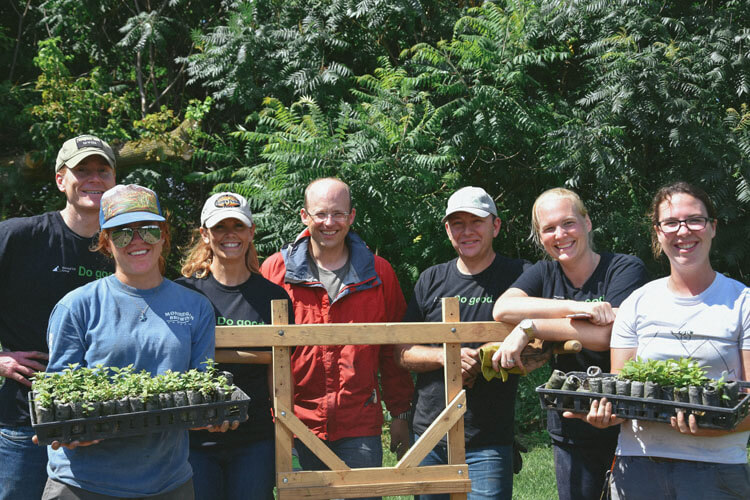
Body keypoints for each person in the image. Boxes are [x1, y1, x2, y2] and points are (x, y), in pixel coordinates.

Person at [570, 181, 750, 499]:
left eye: (695, 219)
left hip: (716, 471)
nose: (683, 231)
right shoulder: (639, 303)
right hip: (639, 468)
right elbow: (624, 391)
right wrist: (603, 415)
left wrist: (711, 421)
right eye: (670, 222)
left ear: (712, 228)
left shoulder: (742, 302)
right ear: (657, 232)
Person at [41, 184, 220, 499]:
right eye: (122, 233)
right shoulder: (77, 305)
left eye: (148, 230)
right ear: (106, 242)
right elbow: (58, 390)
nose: (137, 241)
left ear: (164, 235)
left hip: (168, 483)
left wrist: (214, 416)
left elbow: (201, 386)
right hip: (83, 484)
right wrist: (67, 430)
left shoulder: (195, 307)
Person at [491, 187, 649, 500]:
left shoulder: (625, 268)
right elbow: (503, 308)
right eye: (548, 229)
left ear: (587, 222)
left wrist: (532, 326)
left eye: (568, 223)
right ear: (540, 236)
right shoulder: (543, 273)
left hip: (627, 420)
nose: (560, 235)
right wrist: (582, 310)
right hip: (569, 423)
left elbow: (605, 337)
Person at [260, 178, 413, 486]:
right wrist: (272, 419)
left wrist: (400, 414)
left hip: (359, 424)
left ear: (351, 216)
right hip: (295, 423)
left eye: (338, 214)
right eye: (320, 214)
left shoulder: (379, 273)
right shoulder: (276, 271)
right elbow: (263, 355)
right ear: (304, 216)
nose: (329, 223)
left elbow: (393, 350)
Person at [395, 187, 534, 500]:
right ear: (447, 230)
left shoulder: (520, 277)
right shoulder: (430, 279)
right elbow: (401, 353)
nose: (467, 231)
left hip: (488, 437)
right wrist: (447, 358)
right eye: (457, 223)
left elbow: (542, 339)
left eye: (477, 222)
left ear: (495, 226)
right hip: (430, 434)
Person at [0, 135, 116, 500]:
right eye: (82, 170)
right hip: (25, 424)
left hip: (103, 422)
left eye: (103, 170)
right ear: (59, 179)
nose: (94, 179)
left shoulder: (127, 245)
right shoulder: (20, 236)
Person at [177, 192, 293, 500]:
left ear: (251, 231)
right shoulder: (182, 293)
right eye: (220, 227)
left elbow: (278, 374)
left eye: (238, 226)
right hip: (193, 438)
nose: (230, 234)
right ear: (205, 233)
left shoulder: (274, 298)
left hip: (254, 439)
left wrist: (285, 430)